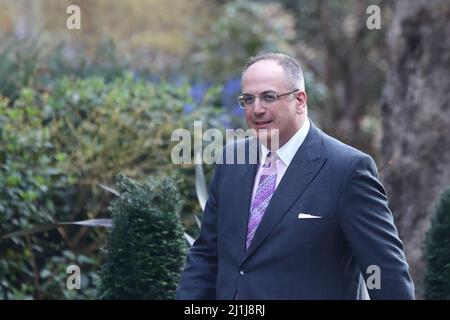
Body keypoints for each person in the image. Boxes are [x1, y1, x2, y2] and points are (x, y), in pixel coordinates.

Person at [176, 52, 415, 300]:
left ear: (300, 100)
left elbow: (387, 273)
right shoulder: (231, 160)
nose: (257, 109)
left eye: (269, 97)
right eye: (248, 99)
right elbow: (206, 255)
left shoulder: (347, 170)